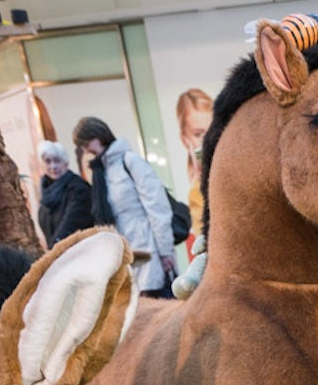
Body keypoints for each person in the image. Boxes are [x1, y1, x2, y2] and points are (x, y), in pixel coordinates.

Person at [72, 116, 175, 297]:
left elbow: (157, 207)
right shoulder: (100, 171)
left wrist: (166, 251)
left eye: (87, 143)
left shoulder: (130, 161)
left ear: (99, 135)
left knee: (155, 303)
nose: (86, 149)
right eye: (83, 146)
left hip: (148, 249)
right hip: (125, 254)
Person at [36, 140, 93, 248]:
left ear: (66, 163)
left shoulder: (79, 189)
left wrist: (53, 251)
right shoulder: (46, 193)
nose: (53, 166)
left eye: (57, 161)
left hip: (81, 251)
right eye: (48, 161)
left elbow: (70, 224)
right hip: (59, 252)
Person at [175, 88, 213, 238]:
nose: (208, 139)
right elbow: (204, 233)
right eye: (198, 134)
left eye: (212, 130)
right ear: (185, 140)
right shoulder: (196, 188)